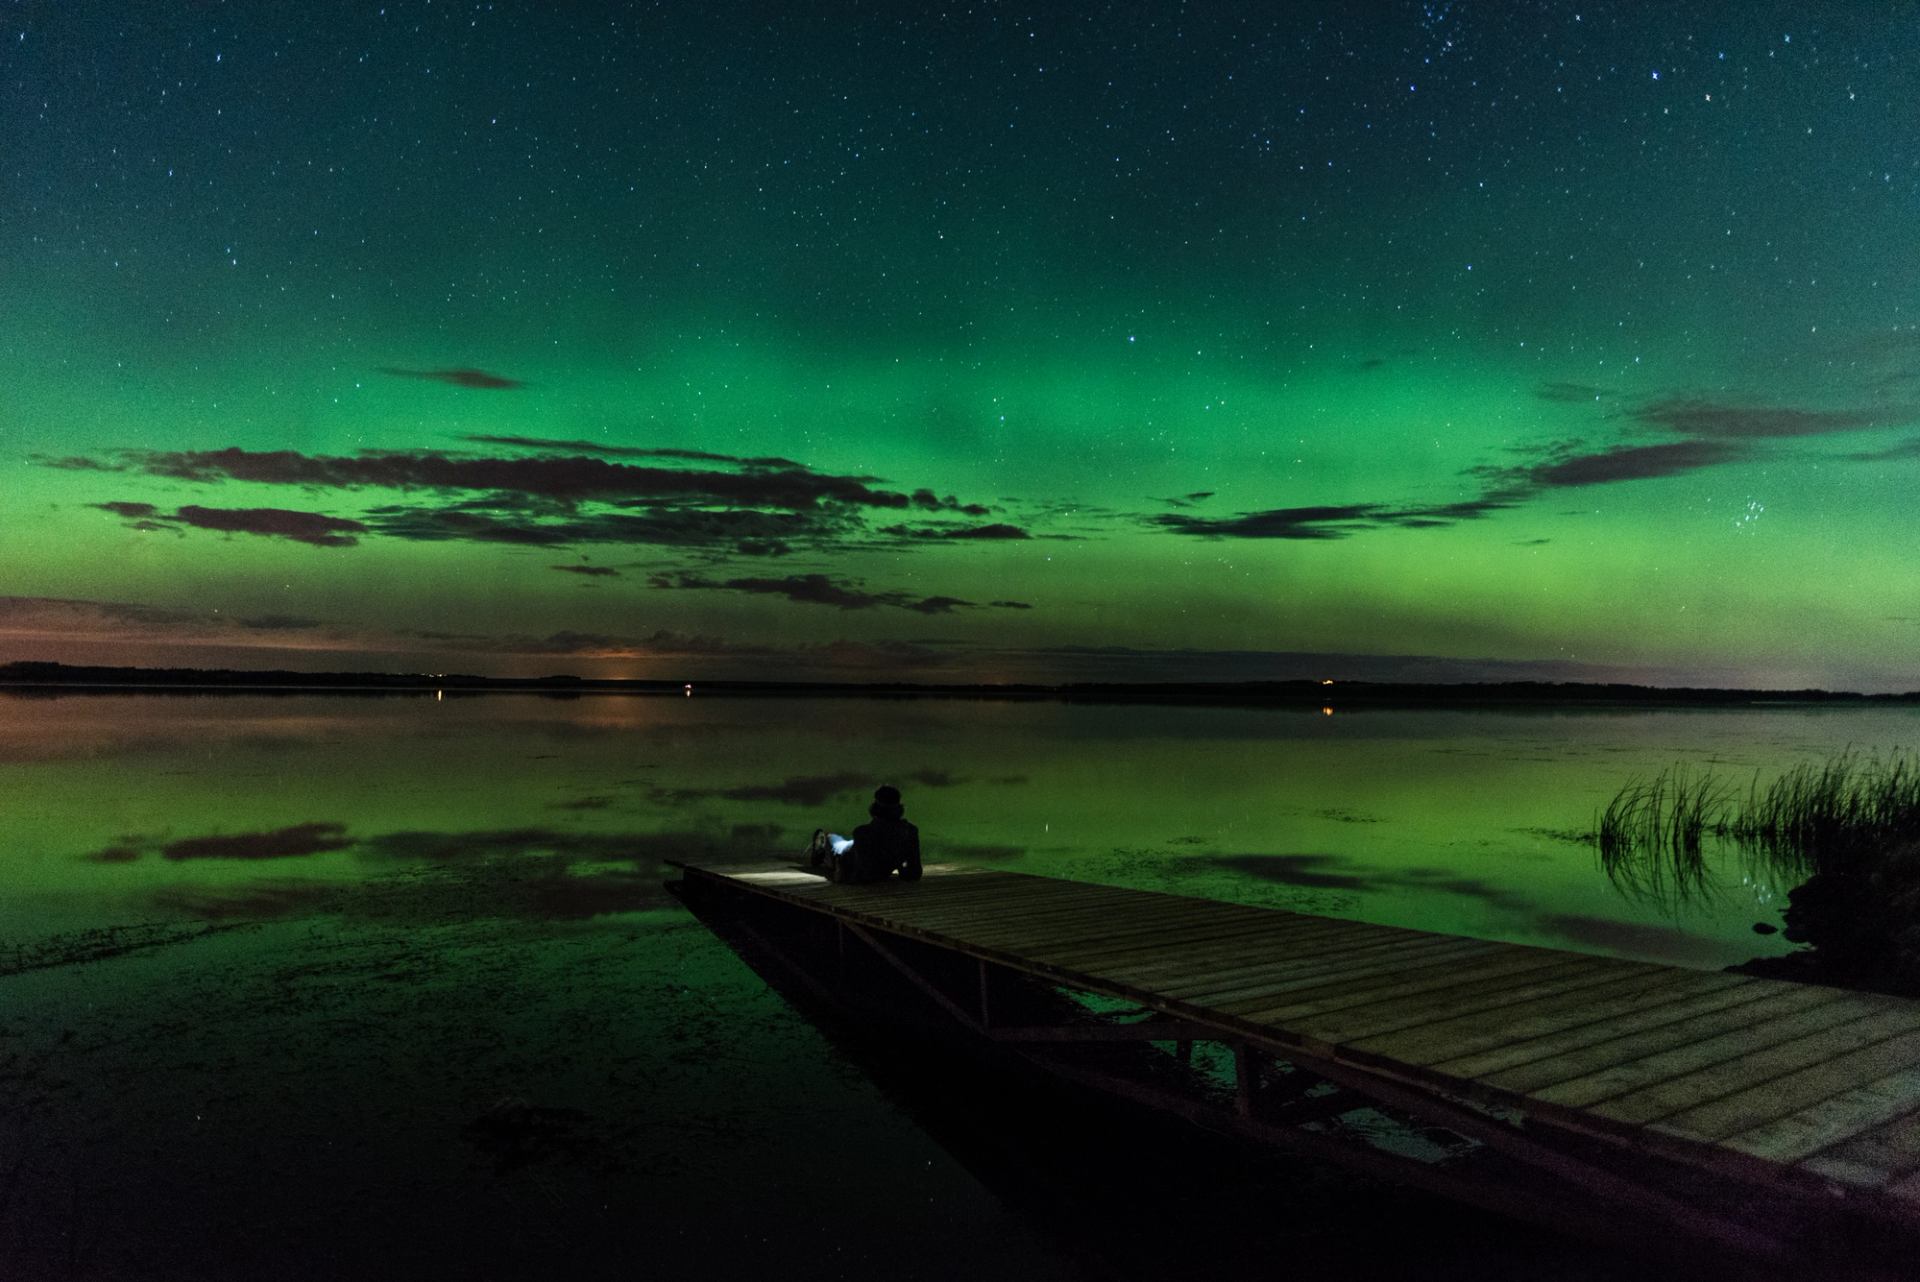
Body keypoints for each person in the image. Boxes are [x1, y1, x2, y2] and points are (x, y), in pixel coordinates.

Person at [805, 784, 922, 884]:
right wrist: (899, 865)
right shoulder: (910, 831)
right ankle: (822, 845)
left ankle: (821, 844)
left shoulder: (862, 832)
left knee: (833, 840)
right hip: (856, 849)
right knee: (840, 841)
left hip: (847, 854)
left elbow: (858, 872)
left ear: (875, 809)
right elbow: (915, 872)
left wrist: (836, 872)